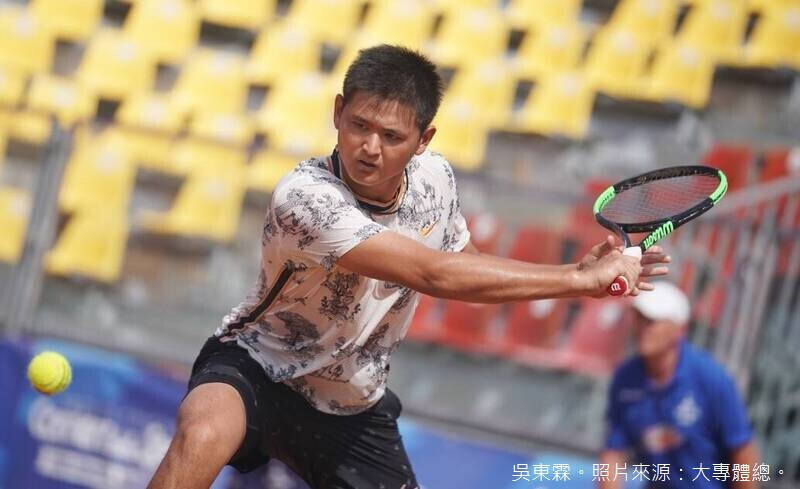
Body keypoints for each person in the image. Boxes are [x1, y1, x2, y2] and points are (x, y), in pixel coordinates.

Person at [148, 44, 669, 489]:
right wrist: (577, 281)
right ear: (337, 112)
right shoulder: (304, 198)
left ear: (424, 139)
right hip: (257, 366)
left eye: (392, 137)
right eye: (359, 126)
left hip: (353, 402)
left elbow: (463, 267)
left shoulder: (435, 181)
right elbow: (431, 274)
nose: (369, 148)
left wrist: (574, 273)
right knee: (203, 432)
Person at [598, 281, 761, 489]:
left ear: (679, 329)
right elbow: (613, 451)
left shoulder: (710, 378)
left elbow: (742, 450)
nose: (642, 328)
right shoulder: (625, 379)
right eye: (639, 319)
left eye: (652, 321)